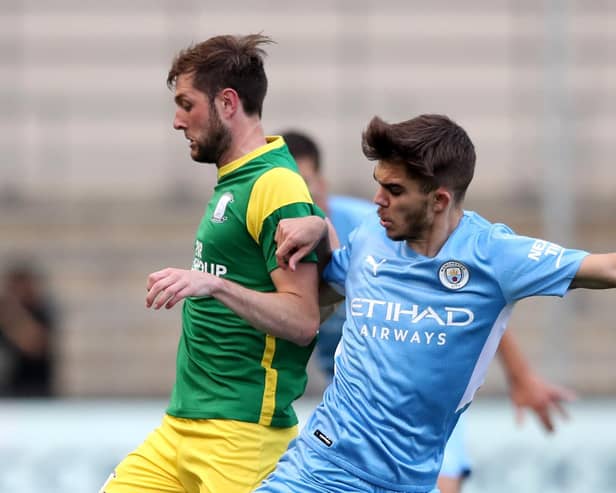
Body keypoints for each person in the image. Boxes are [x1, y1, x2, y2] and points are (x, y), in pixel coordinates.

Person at [256, 114, 616, 493]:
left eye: (394, 190)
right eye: (378, 185)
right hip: (321, 465)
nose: (378, 200)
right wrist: (316, 224)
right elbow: (316, 294)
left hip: (410, 480)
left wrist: (520, 376)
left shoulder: (493, 254)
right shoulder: (369, 235)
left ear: (439, 200)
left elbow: (606, 268)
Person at [101, 34, 324, 493]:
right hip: (181, 425)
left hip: (241, 435)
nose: (177, 121)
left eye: (187, 104)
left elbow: (303, 321)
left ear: (226, 102)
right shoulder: (235, 181)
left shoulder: (275, 185)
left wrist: (214, 286)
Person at [0, 261, 56, 397]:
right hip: (10, 388)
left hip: (37, 388)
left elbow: (35, 346)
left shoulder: (42, 311)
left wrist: (13, 314)